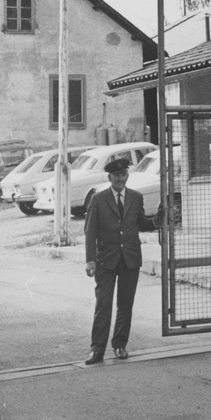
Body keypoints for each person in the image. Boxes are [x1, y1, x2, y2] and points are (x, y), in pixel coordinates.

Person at [83, 155, 162, 364]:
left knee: (125, 305)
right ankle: (97, 350)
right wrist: (90, 260)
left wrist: (156, 221)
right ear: (110, 178)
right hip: (105, 260)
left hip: (130, 258)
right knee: (104, 304)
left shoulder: (136, 197)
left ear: (127, 175)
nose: (120, 179)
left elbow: (141, 223)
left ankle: (120, 345)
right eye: (116, 175)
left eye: (123, 174)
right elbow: (90, 231)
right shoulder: (98, 199)